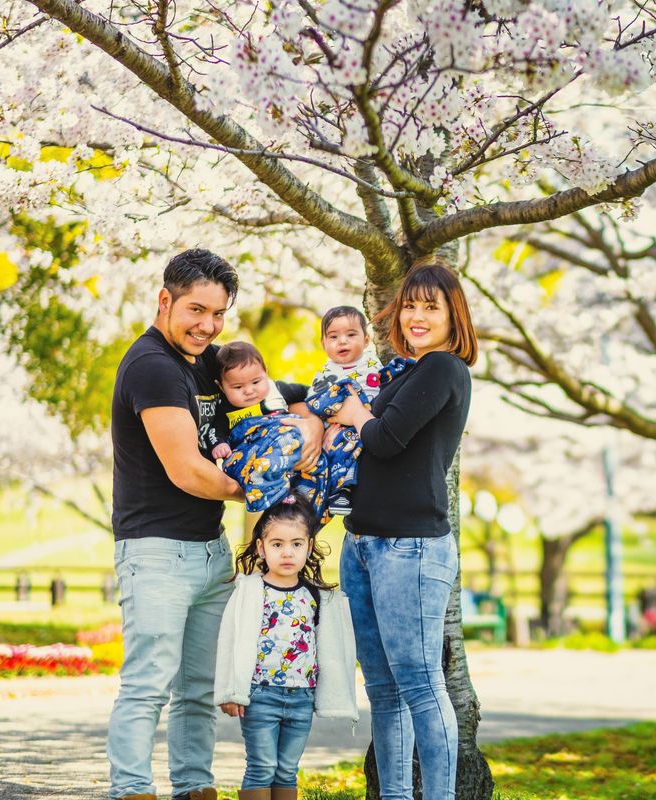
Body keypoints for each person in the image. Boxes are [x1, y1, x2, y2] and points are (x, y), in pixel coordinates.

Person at [107, 249, 323, 800]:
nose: (207, 325)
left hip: (208, 551)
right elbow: (187, 471)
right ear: (165, 300)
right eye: (196, 310)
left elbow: (281, 395)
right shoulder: (152, 365)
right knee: (148, 686)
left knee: (199, 690)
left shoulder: (205, 361)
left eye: (219, 314)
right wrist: (265, 482)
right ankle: (131, 789)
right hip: (156, 551)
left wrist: (312, 424)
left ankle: (194, 789)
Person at [330, 256, 478, 800]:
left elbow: (386, 440)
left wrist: (356, 415)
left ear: (451, 315)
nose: (417, 316)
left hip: (411, 548)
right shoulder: (411, 370)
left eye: (430, 307)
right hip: (365, 545)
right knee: (386, 690)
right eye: (410, 305)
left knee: (419, 683)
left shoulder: (444, 368)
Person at [213, 495, 359, 800]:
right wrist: (230, 690)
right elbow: (230, 641)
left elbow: (331, 649)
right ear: (261, 548)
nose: (287, 552)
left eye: (296, 544)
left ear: (309, 546)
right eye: (277, 544)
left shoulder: (317, 597)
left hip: (301, 697)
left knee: (287, 769)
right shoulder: (250, 590)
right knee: (261, 766)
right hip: (259, 695)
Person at [211, 341, 332, 516]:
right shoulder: (225, 408)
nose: (249, 390)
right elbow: (216, 430)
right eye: (238, 387)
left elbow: (311, 393)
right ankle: (269, 495)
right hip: (251, 452)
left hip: (285, 446)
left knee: (317, 462)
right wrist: (219, 444)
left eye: (256, 381)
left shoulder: (277, 391)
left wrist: (327, 403)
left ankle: (314, 504)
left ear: (265, 373)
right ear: (221, 387)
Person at [309, 306, 410, 516]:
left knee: (358, 453)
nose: (342, 341)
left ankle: (344, 490)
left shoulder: (371, 365)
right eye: (334, 336)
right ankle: (334, 490)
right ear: (324, 343)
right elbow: (315, 402)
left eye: (351, 334)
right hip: (336, 427)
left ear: (366, 340)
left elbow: (384, 393)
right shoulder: (325, 372)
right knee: (334, 451)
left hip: (366, 424)